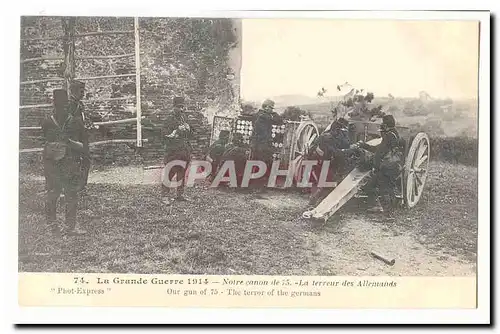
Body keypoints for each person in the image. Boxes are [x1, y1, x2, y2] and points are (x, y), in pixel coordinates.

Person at [41, 89, 88, 235]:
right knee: (65, 194)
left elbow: (46, 140)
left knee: (57, 193)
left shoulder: (47, 121)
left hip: (56, 161)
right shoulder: (75, 122)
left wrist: (64, 142)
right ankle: (66, 227)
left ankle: (55, 226)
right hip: (65, 162)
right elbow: (83, 146)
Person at [358, 114, 403, 215]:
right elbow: (380, 150)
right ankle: (386, 207)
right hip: (392, 166)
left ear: (386, 126)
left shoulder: (388, 136)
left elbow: (378, 153)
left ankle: (385, 210)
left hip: (386, 168)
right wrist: (365, 146)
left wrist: (375, 166)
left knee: (376, 187)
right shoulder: (395, 134)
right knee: (385, 188)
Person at [161, 96, 192, 205]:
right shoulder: (168, 120)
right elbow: (165, 136)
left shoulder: (184, 118)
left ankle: (180, 195)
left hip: (184, 151)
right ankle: (165, 196)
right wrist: (177, 130)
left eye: (182, 107)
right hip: (173, 151)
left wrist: (189, 129)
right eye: (179, 107)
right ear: (173, 107)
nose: (181, 109)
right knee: (169, 173)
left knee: (181, 173)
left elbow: (189, 135)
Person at [251, 99, 282, 184]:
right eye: (271, 108)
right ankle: (260, 182)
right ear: (267, 107)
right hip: (263, 143)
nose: (272, 110)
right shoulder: (265, 116)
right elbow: (279, 120)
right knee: (264, 161)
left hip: (255, 143)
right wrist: (273, 114)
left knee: (256, 161)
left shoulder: (257, 114)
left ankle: (254, 180)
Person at [68, 80, 91, 192]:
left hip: (83, 136)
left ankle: (82, 186)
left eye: (83, 91)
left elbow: (83, 118)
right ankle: (73, 187)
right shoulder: (69, 105)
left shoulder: (80, 104)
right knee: (75, 161)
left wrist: (88, 123)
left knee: (86, 160)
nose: (83, 94)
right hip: (74, 138)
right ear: (74, 91)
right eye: (81, 91)